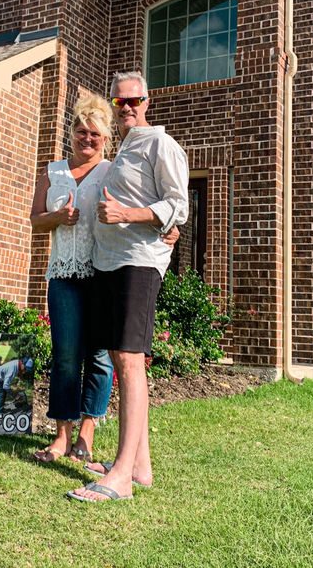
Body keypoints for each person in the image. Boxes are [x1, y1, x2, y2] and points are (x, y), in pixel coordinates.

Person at [68, 70, 188, 503]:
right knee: (120, 359)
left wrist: (127, 215)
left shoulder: (160, 144)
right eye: (121, 102)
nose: (128, 107)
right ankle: (139, 466)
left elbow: (179, 205)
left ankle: (119, 477)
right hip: (110, 265)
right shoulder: (122, 153)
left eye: (134, 100)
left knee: (130, 360)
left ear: (147, 101)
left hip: (138, 264)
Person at [29, 95, 116, 463]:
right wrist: (58, 218)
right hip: (63, 274)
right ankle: (61, 436)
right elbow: (35, 221)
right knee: (65, 356)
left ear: (105, 138)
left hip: (103, 274)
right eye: (81, 131)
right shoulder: (52, 171)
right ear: (72, 133)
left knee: (99, 356)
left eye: (95, 134)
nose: (87, 139)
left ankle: (87, 436)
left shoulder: (113, 171)